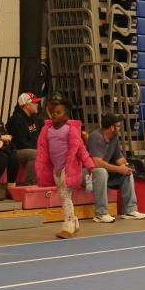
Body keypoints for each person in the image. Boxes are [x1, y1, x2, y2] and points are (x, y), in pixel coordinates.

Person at [36, 102, 95, 238]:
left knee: (65, 196)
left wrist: (90, 165)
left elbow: (81, 149)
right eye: (53, 112)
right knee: (63, 196)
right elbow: (42, 151)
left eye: (58, 112)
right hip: (56, 169)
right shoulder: (47, 130)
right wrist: (43, 168)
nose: (54, 114)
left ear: (66, 117)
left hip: (68, 168)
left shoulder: (70, 130)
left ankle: (68, 225)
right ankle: (74, 221)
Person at [87, 114, 145, 223]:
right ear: (111, 127)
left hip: (105, 172)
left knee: (127, 172)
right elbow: (96, 163)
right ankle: (100, 214)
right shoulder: (96, 136)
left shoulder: (113, 138)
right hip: (87, 174)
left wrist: (128, 166)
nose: (120, 129)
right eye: (118, 126)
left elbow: (119, 159)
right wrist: (119, 169)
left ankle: (130, 210)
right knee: (101, 171)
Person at [5, 92, 41, 186]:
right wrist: (38, 149)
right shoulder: (16, 119)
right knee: (35, 154)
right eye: (34, 102)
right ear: (26, 105)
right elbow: (20, 143)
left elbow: (36, 138)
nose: (37, 104)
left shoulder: (32, 118)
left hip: (28, 148)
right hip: (15, 151)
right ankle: (31, 184)